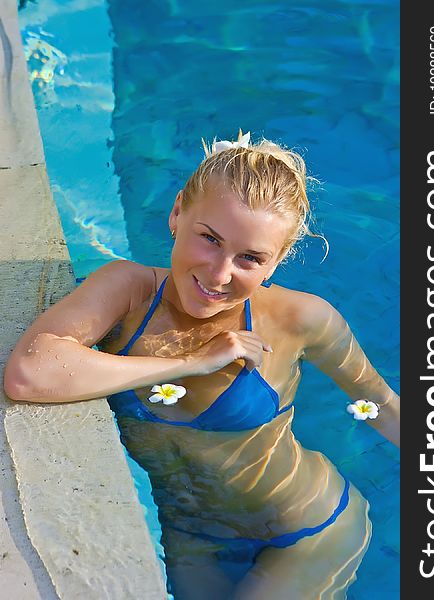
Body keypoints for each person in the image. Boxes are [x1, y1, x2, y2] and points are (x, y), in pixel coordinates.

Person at [4, 130, 400, 599]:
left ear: (277, 262)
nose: (219, 274)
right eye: (210, 239)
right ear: (177, 213)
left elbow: (380, 405)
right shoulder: (129, 292)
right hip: (192, 538)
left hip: (307, 531)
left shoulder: (302, 319)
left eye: (250, 258)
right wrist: (191, 362)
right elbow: (30, 373)